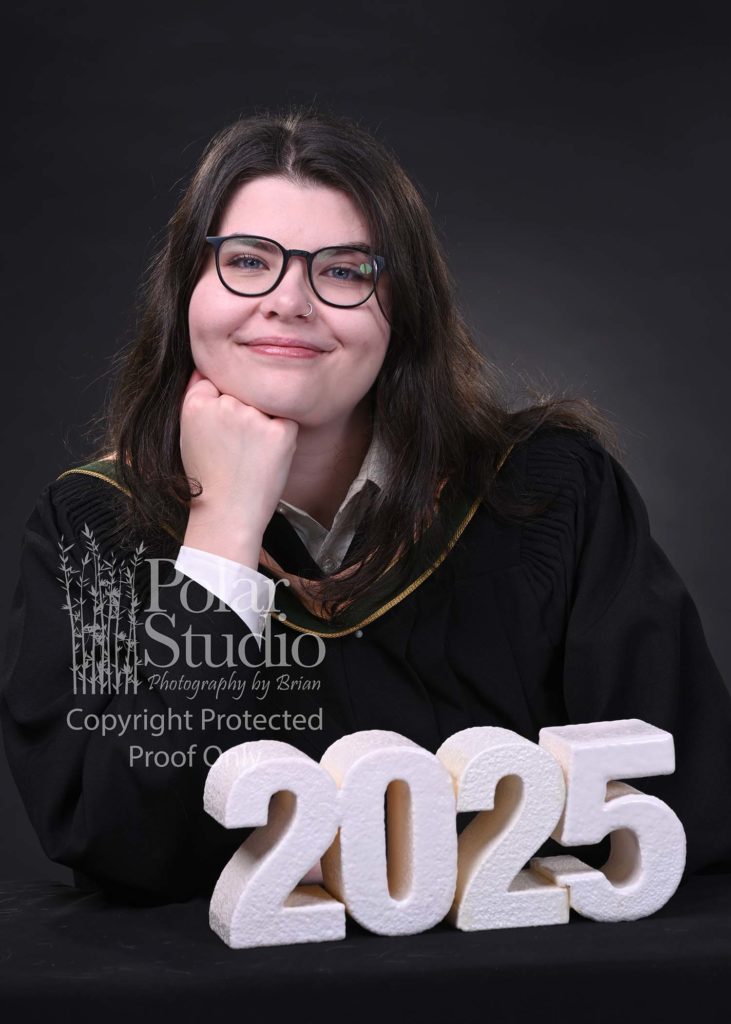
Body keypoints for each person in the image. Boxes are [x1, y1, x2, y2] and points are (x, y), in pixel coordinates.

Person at [2, 105, 731, 907]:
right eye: (246, 260)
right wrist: (221, 532)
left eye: (345, 271)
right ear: (185, 293)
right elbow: (116, 844)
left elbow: (684, 809)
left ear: (403, 311)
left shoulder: (547, 492)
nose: (289, 301)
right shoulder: (90, 529)